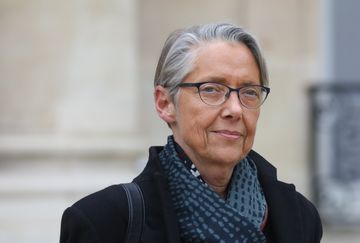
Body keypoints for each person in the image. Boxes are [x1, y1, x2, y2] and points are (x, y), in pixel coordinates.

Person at [60, 23, 322, 243]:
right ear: (165, 103)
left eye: (249, 92)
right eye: (211, 89)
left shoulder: (298, 217)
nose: (235, 109)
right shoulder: (104, 221)